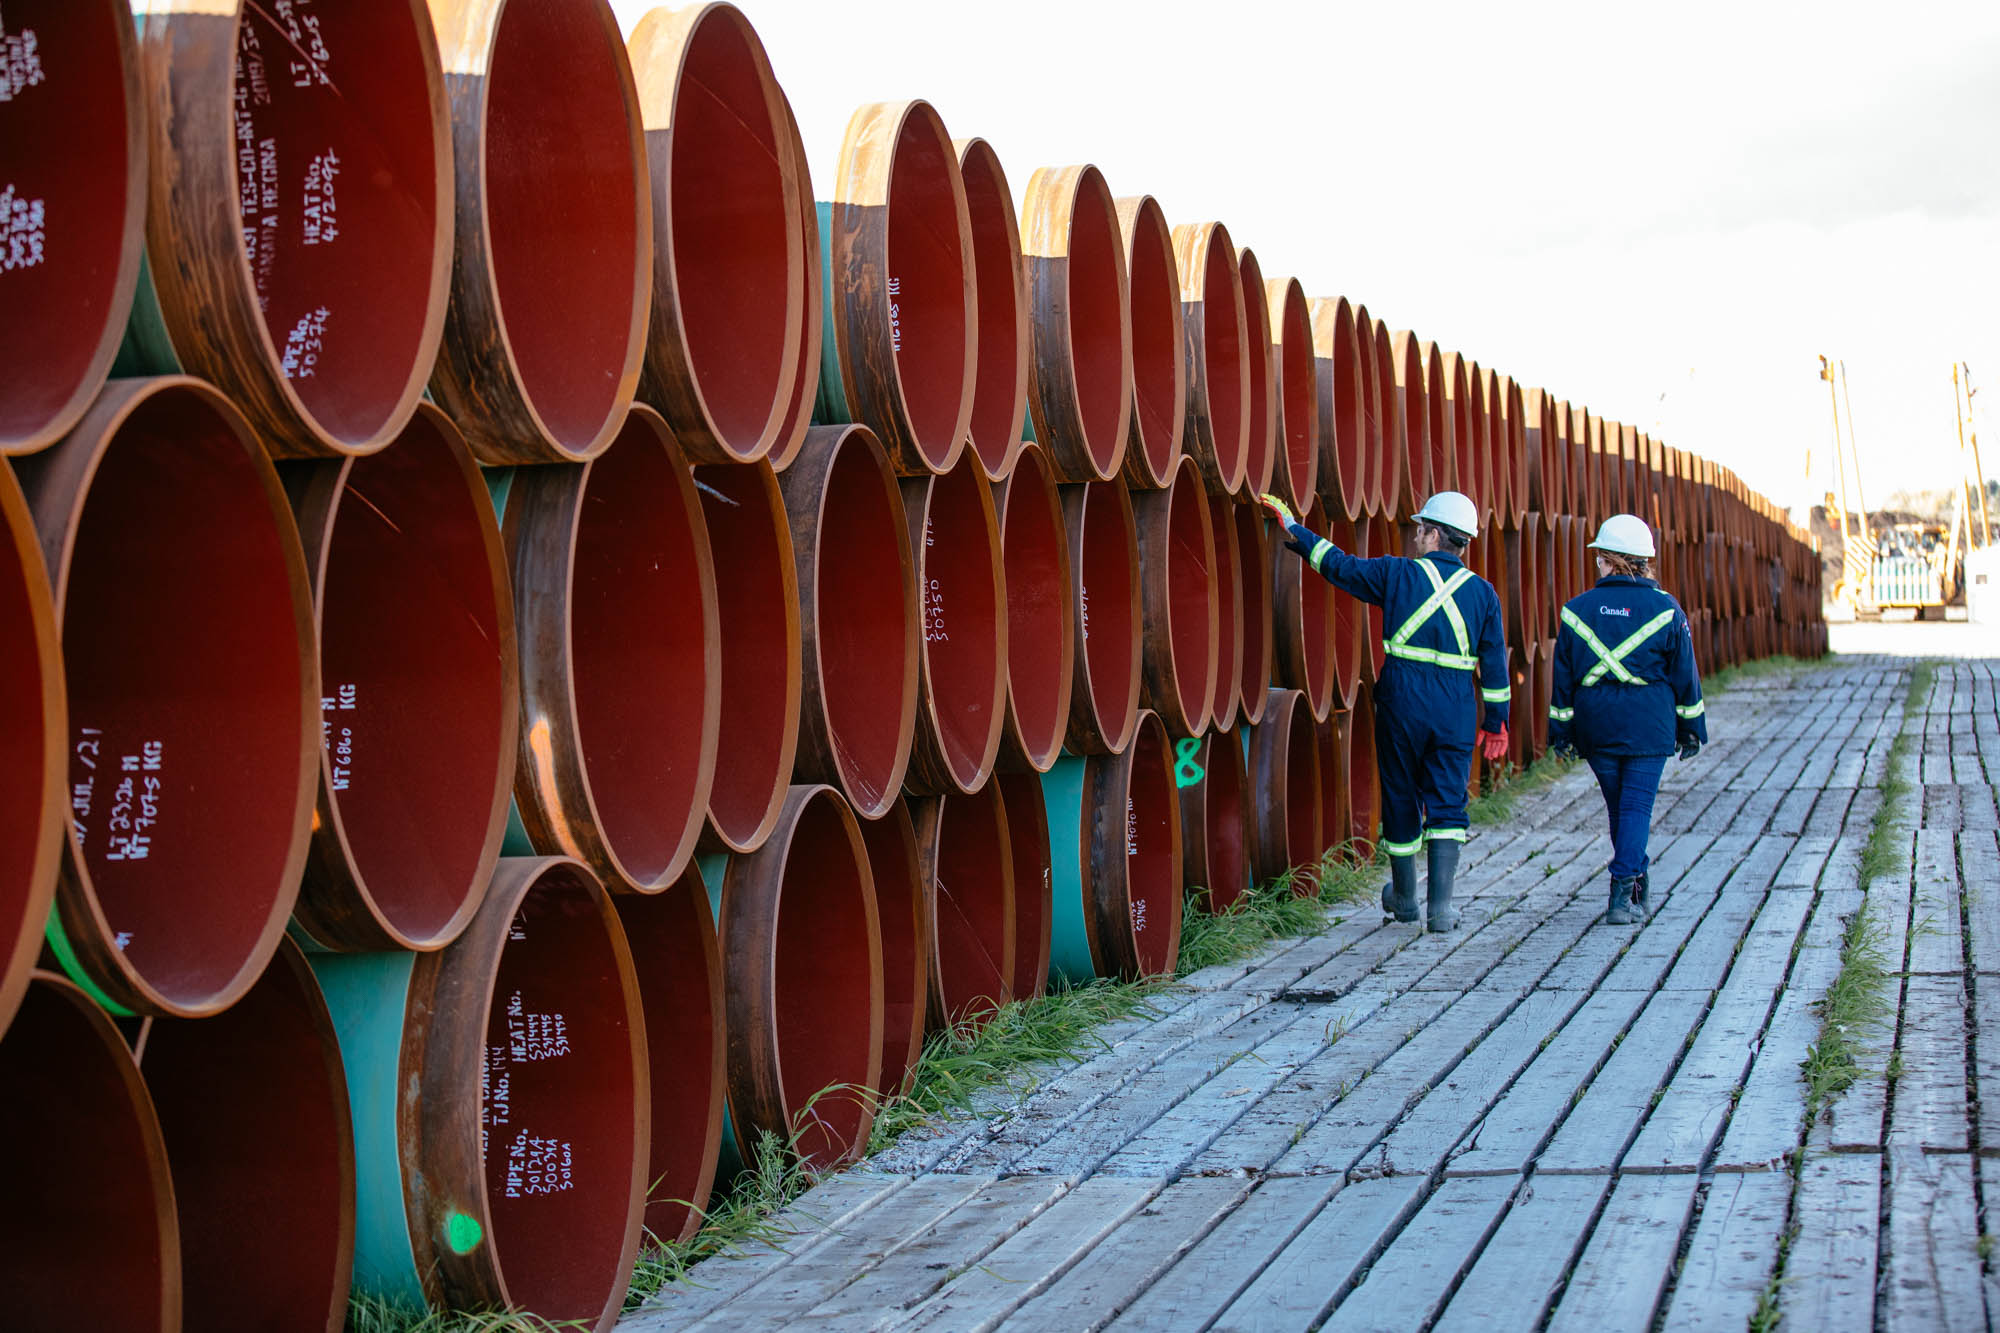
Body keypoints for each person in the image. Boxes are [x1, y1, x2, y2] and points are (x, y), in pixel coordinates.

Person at [1259, 491, 1510, 931]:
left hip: (1402, 703)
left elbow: (1339, 566)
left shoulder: (1397, 575)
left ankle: (1406, 899)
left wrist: (1293, 528)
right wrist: (1496, 723)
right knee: (1448, 800)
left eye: (1421, 529)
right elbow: (1495, 669)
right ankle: (1442, 910)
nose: (1415, 535)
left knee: (1399, 793)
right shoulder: (1484, 595)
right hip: (1454, 708)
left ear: (1434, 534)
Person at [1546, 514, 1707, 926]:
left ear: (1609, 560)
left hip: (1596, 724)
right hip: (1648, 724)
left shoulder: (1574, 611)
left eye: (1598, 556)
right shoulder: (1667, 610)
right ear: (1644, 561)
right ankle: (1623, 892)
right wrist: (1692, 727)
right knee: (1635, 807)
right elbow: (1685, 676)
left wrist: (1561, 730)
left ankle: (1637, 880)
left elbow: (1562, 681)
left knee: (1621, 809)